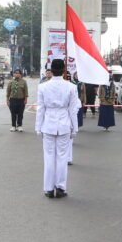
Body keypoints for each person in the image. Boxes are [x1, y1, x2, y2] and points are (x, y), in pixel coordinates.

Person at [35, 59, 80, 199]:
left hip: (48, 123)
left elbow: (40, 109)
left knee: (49, 158)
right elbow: (73, 110)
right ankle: (60, 187)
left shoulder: (43, 87)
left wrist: (38, 127)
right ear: (64, 70)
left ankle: (49, 188)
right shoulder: (71, 87)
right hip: (65, 124)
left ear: (51, 70)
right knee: (62, 158)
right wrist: (75, 128)